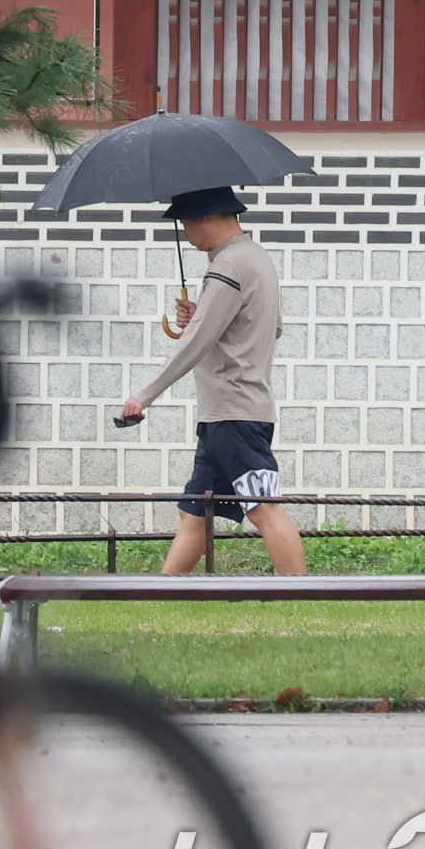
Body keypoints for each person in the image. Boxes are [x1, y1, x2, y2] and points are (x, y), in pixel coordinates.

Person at [120, 186, 307, 576]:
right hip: (234, 411)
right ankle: (161, 597)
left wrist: (144, 395)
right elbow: (267, 327)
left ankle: (303, 594)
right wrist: (206, 312)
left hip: (232, 413)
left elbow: (198, 342)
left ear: (205, 218)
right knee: (196, 512)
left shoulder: (227, 266)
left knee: (264, 508)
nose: (186, 234)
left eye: (185, 223)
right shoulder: (257, 259)